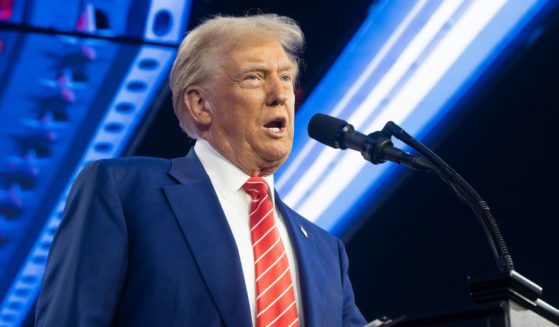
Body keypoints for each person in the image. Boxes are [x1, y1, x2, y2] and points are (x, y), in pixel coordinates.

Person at [35, 14, 366, 326]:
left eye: (286, 78)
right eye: (254, 77)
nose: (280, 94)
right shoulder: (124, 191)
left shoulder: (327, 252)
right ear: (200, 105)